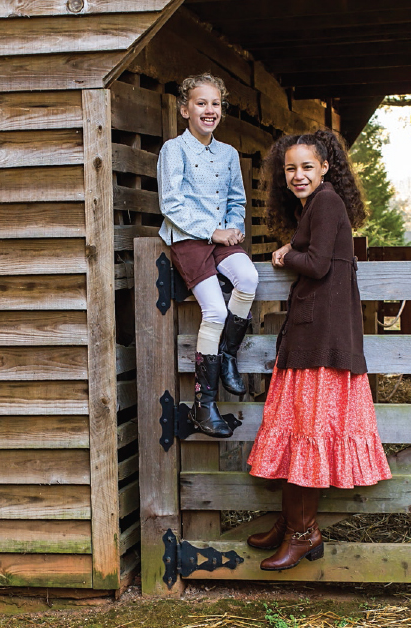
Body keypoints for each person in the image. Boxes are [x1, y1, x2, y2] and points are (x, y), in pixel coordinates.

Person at [246, 130, 391, 570]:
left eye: (307, 166)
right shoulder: (315, 205)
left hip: (323, 338)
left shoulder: (326, 203)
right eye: (290, 168)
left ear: (326, 167)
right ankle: (291, 521)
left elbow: (319, 265)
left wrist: (286, 254)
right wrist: (295, 247)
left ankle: (304, 532)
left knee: (307, 430)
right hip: (313, 332)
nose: (297, 175)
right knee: (297, 428)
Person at [157, 73, 259, 438]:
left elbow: (236, 199)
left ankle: (229, 355)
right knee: (215, 309)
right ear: (185, 109)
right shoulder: (174, 149)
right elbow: (171, 203)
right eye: (201, 103)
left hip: (221, 237)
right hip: (189, 238)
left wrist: (232, 227)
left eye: (215, 104)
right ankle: (205, 403)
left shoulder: (228, 154)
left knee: (248, 278)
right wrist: (212, 231)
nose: (209, 110)